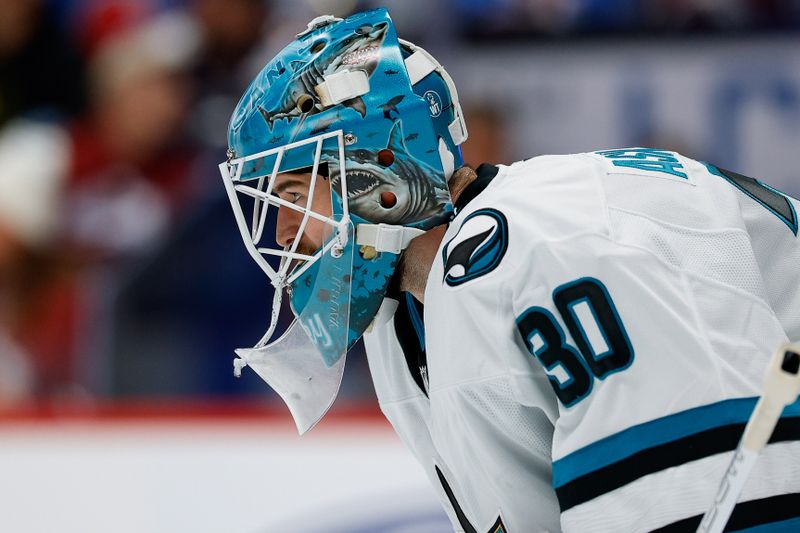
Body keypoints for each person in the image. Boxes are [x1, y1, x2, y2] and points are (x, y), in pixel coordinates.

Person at [219, 9, 800, 532]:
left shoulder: (552, 243)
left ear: (377, 166)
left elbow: (727, 502)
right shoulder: (408, 316)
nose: (282, 233)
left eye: (293, 194)